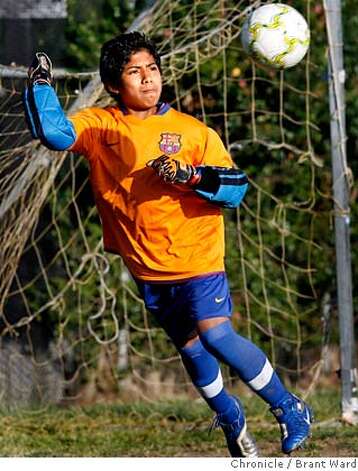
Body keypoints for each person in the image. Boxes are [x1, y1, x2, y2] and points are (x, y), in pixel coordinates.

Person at [23, 31, 313, 457]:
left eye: (152, 69)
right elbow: (56, 133)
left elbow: (235, 188)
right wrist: (40, 86)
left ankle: (290, 407)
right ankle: (231, 417)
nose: (147, 79)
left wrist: (191, 176)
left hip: (199, 258)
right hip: (147, 268)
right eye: (134, 72)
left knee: (216, 336)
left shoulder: (193, 132)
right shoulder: (102, 125)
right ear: (112, 86)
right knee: (190, 348)